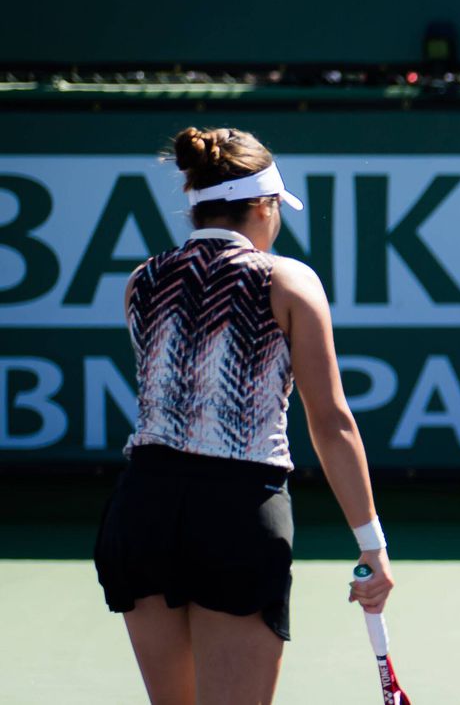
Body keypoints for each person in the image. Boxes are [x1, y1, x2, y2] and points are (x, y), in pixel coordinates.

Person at [94, 126, 394, 704]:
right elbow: (331, 421)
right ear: (264, 204)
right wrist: (371, 545)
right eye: (278, 207)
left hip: (142, 512)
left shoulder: (142, 281)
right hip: (235, 513)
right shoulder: (288, 280)